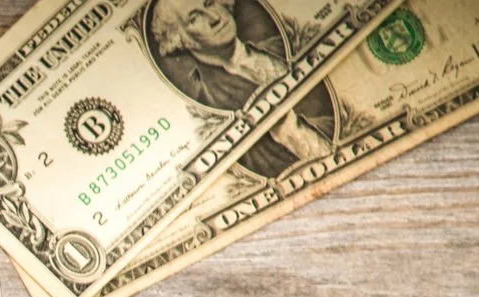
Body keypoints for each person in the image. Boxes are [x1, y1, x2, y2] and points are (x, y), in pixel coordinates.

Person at [145, 0, 340, 178]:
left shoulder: (276, 46)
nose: (214, 18)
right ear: (180, 39)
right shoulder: (213, 102)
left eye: (210, 3)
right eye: (194, 18)